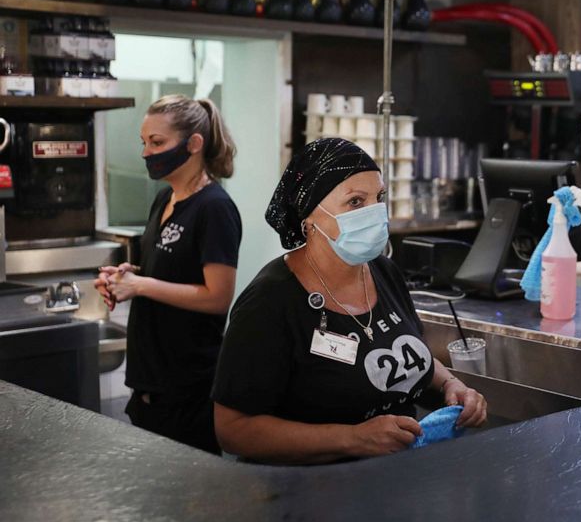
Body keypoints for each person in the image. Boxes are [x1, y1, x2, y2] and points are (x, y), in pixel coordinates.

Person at [211, 138, 486, 465]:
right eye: (355, 202)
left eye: (378, 198)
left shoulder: (383, 272)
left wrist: (450, 385)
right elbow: (233, 429)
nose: (374, 213)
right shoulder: (270, 301)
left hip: (392, 481)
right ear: (310, 216)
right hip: (309, 494)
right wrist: (352, 439)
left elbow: (407, 351)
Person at [95, 95, 241, 454]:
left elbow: (217, 297)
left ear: (194, 144)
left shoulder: (215, 209)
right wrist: (126, 277)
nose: (146, 152)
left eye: (157, 142)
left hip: (188, 384)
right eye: (144, 142)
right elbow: (169, 270)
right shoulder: (164, 200)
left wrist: (141, 285)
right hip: (151, 378)